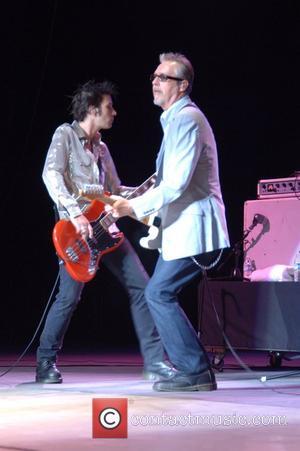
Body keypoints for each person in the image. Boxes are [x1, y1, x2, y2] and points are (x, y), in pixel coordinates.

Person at [36, 80, 175, 384]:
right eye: (109, 107)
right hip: (75, 233)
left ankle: (155, 362)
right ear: (92, 109)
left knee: (143, 287)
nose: (114, 112)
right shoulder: (65, 135)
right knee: (68, 298)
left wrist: (148, 187)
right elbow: (51, 175)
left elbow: (113, 191)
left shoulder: (102, 147)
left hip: (106, 229)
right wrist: (75, 214)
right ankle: (45, 360)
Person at [112, 52, 230, 392]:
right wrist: (127, 196)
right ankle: (194, 369)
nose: (155, 81)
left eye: (164, 77)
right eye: (154, 76)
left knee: (159, 293)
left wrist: (129, 209)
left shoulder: (187, 120)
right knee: (159, 293)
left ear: (183, 86)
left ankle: (194, 370)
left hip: (196, 230)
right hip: (181, 230)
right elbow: (166, 181)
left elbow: (176, 183)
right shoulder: (175, 121)